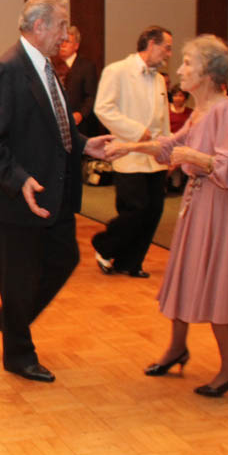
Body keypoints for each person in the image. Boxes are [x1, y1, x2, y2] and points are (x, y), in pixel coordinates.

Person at [106, 35, 228, 398]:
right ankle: (177, 348)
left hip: (223, 204)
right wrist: (127, 146)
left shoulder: (226, 108)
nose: (180, 69)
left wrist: (194, 157)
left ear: (208, 72)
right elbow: (169, 146)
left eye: (187, 63)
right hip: (201, 201)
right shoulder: (201, 110)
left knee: (215, 280)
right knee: (186, 271)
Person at [0, 0, 113, 383]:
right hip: (18, 198)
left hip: (54, 194)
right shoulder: (8, 68)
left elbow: (55, 126)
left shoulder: (47, 67)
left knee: (64, 258)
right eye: (61, 26)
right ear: (39, 27)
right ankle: (18, 354)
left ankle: (11, 318)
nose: (66, 34)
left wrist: (86, 144)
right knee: (18, 278)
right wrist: (19, 179)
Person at [93, 25, 173, 278]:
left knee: (154, 211)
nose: (169, 54)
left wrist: (169, 149)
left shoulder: (160, 79)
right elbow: (103, 108)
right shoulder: (116, 71)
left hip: (155, 156)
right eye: (166, 47)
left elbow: (164, 120)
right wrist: (137, 131)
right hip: (128, 154)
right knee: (135, 210)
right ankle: (105, 246)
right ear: (150, 43)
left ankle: (130, 262)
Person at [55, 26, 99, 136]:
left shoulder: (86, 66)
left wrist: (80, 114)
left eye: (67, 41)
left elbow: (92, 96)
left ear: (76, 46)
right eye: (61, 41)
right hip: (57, 125)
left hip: (80, 125)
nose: (63, 45)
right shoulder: (51, 65)